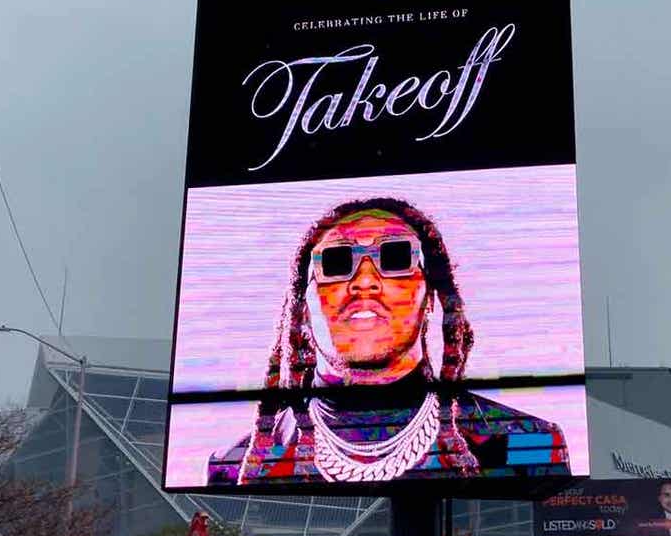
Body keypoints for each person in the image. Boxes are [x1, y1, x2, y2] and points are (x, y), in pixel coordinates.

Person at [206, 197, 571, 485]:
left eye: (395, 256)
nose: (365, 280)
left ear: (430, 298)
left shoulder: (526, 444)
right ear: (303, 305)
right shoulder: (238, 465)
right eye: (336, 262)